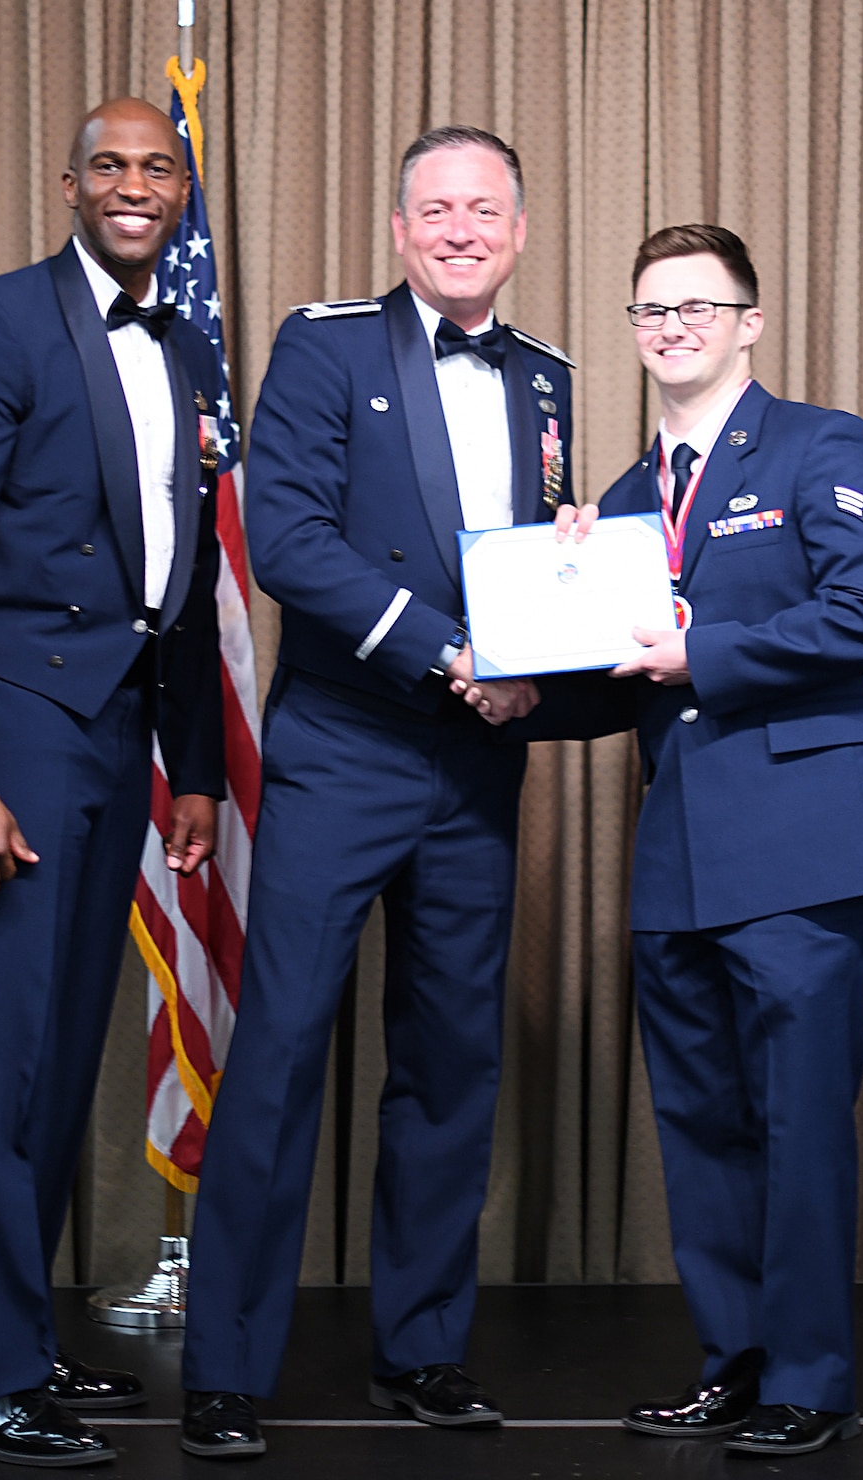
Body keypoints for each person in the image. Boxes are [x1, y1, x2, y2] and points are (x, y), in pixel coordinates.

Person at [178, 126, 574, 1460]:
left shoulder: (548, 377)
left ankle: (424, 1348)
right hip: (344, 751)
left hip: (476, 763)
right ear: (401, 230)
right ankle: (225, 1365)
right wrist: (453, 651)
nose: (461, 229)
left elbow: (537, 562)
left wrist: (554, 630)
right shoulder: (325, 345)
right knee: (282, 1049)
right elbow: (287, 541)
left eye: (484, 209)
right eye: (437, 209)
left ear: (518, 230)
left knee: (452, 1062)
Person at [505, 224, 863, 1458]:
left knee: (798, 1123)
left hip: (808, 844)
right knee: (699, 1128)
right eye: (652, 309)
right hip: (680, 850)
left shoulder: (819, 444)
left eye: (699, 305)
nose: (673, 326)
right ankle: (734, 1364)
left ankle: (809, 1379)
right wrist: (520, 685)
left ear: (748, 322)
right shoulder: (622, 502)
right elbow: (622, 678)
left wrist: (709, 651)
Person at [0, 98, 226, 1468]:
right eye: (109, 165)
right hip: (14, 736)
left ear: (181, 191)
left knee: (61, 1057)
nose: (134, 184)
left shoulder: (184, 344)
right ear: (68, 183)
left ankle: (5, 1334)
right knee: (0, 1061)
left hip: (118, 737)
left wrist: (195, 766)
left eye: (157, 167)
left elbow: (180, 572)